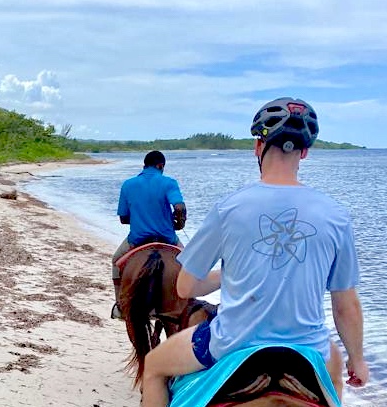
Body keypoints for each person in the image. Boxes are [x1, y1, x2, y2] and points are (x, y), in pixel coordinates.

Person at [140, 98, 369, 406]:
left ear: (258, 146)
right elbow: (345, 305)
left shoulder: (229, 207)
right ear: (304, 152)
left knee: (154, 366)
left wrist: (227, 275)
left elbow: (185, 287)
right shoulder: (336, 215)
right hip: (309, 347)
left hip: (230, 342)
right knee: (337, 367)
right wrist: (358, 359)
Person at [111, 150, 187, 319]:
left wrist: (141, 218)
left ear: (144, 165)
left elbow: (123, 218)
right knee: (191, 262)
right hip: (168, 238)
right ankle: (188, 303)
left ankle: (119, 306)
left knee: (116, 262)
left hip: (137, 239)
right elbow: (180, 207)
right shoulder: (169, 182)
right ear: (161, 166)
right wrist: (180, 224)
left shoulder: (128, 184)